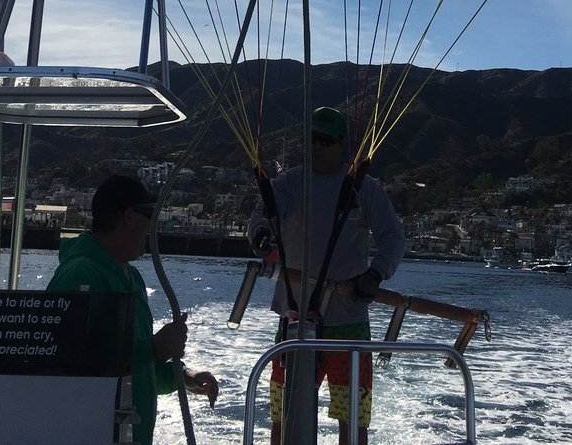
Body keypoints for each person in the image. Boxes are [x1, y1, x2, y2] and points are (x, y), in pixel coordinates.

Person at [247, 107, 405, 445]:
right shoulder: (290, 182)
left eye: (325, 140)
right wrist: (261, 234)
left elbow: (393, 237)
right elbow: (261, 214)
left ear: (341, 144)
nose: (316, 146)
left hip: (348, 324)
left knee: (352, 418)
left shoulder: (365, 189)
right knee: (283, 415)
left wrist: (376, 274)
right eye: (311, 139)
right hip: (294, 319)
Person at [47, 173, 218, 445]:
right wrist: (154, 348)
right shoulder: (80, 273)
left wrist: (183, 376)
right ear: (129, 216)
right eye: (149, 215)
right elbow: (70, 363)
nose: (152, 227)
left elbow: (140, 367)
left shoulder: (132, 277)